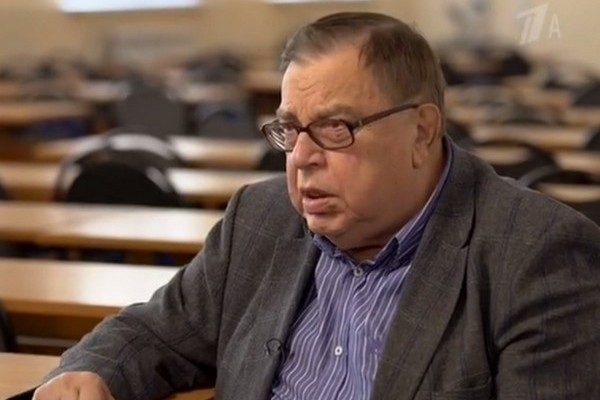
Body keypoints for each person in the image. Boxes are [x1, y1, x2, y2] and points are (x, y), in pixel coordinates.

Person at [34, 12, 600, 400]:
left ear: (422, 132)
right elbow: (157, 332)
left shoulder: (538, 255)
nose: (301, 158)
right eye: (288, 129)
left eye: (335, 128)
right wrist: (91, 371)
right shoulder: (260, 220)